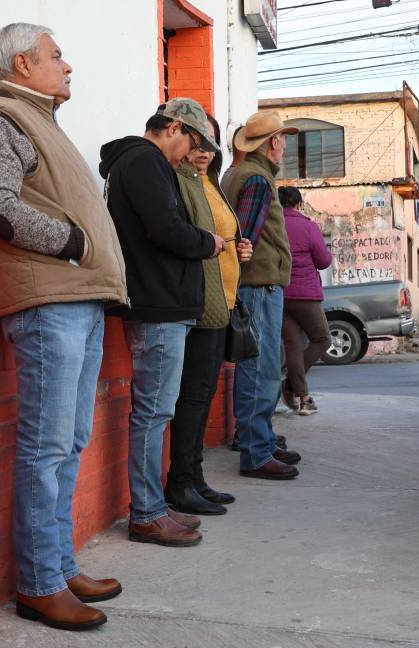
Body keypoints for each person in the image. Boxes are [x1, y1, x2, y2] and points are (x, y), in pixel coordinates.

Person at [0, 23, 127, 631]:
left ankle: (57, 566)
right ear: (24, 63)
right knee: (46, 447)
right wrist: (74, 242)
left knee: (68, 442)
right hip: (48, 303)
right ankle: (38, 583)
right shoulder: (1, 120)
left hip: (75, 301)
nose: (68, 66)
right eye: (58, 56)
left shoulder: (41, 122)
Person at [99, 98, 225, 546]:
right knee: (153, 414)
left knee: (156, 412)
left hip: (161, 303)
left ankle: (152, 506)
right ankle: (147, 512)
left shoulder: (139, 162)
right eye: (191, 140)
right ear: (173, 128)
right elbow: (166, 229)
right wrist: (209, 242)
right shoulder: (144, 161)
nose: (192, 152)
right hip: (158, 306)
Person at [167, 114, 251, 516]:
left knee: (203, 394)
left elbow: (223, 235)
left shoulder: (210, 184)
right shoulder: (178, 180)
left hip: (224, 298)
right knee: (192, 396)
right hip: (200, 301)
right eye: (197, 143)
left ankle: (195, 477)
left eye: (210, 144)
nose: (204, 151)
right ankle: (181, 482)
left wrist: (240, 248)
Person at [223, 110, 303, 480]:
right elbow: (246, 238)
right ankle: (256, 452)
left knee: (262, 369)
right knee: (261, 371)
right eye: (282, 139)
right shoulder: (256, 178)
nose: (284, 145)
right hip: (257, 288)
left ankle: (262, 442)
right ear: (273, 142)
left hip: (258, 286)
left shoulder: (244, 173)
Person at [278, 187, 333, 416]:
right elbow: (324, 260)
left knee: (293, 345)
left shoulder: (273, 224)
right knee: (322, 339)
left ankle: (304, 400)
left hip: (280, 293)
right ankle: (291, 386)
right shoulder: (308, 226)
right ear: (299, 203)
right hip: (305, 295)